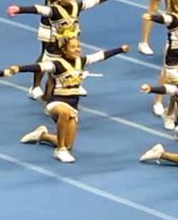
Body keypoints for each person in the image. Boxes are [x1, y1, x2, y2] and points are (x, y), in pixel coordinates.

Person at [15, 30, 129, 164]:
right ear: (64, 50)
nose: (77, 49)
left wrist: (120, 49)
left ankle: (42, 135)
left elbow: (100, 56)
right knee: (64, 113)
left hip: (73, 106)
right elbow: (39, 67)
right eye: (73, 47)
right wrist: (19, 68)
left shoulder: (81, 61)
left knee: (68, 144)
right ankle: (60, 150)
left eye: (78, 46)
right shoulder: (56, 64)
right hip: (56, 103)